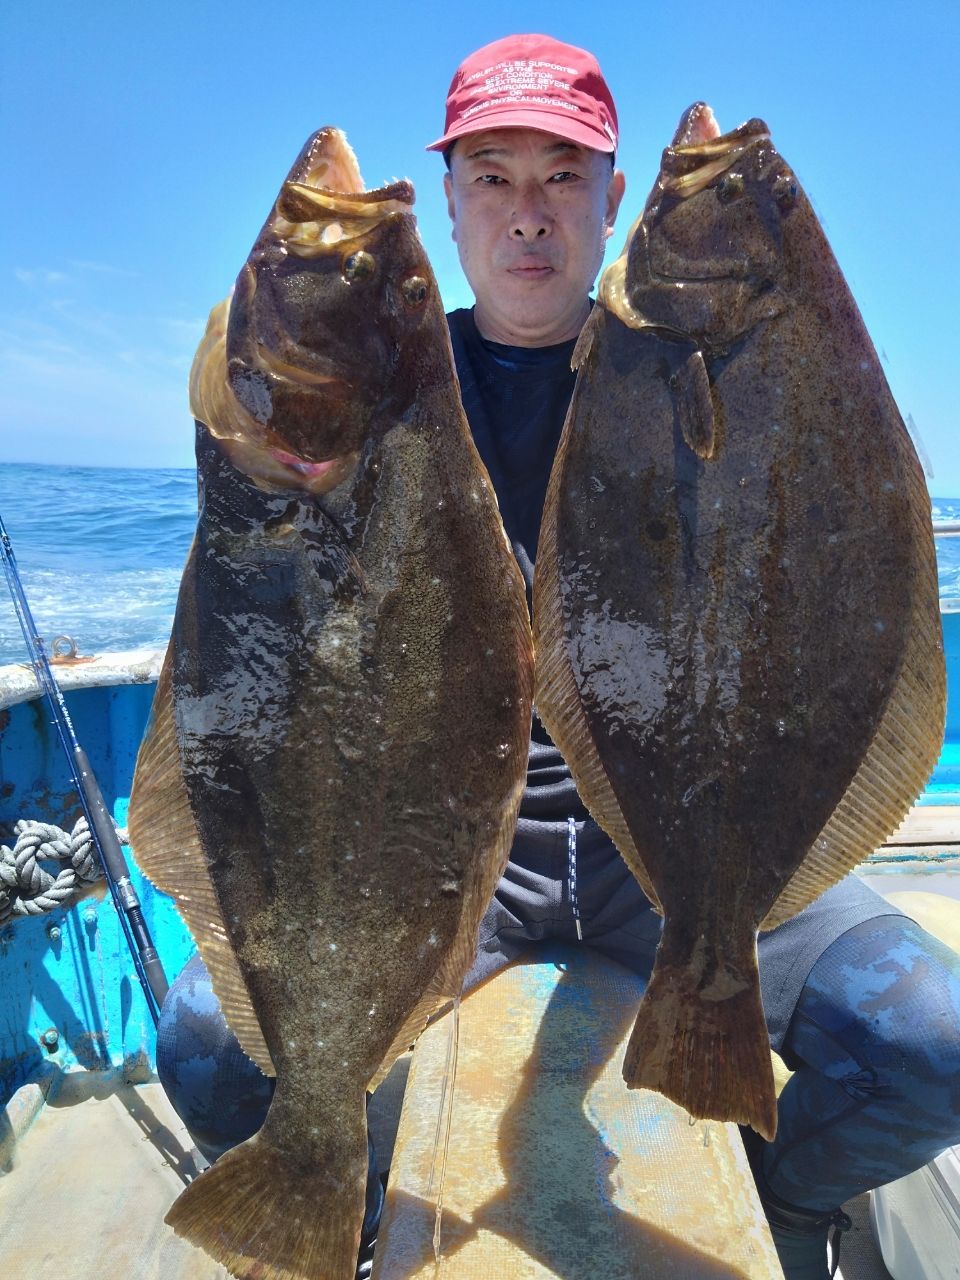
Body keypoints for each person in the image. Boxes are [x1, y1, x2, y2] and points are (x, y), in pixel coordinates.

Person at [158, 33, 960, 1280]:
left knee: (934, 1046)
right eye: (492, 177)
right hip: (446, 858)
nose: (527, 212)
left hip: (690, 838)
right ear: (450, 203)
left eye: (561, 176)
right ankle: (341, 1197)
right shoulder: (393, 378)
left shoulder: (713, 367)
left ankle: (790, 1199)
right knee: (209, 1046)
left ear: (613, 199)